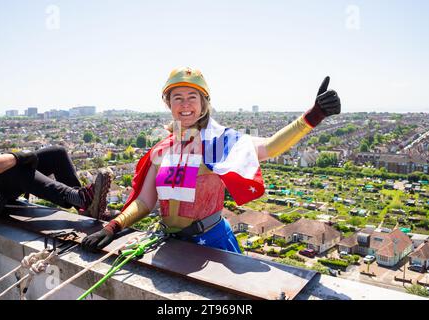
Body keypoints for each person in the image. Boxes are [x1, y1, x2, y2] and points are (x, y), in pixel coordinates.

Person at [82, 67, 341, 253]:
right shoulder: (161, 149)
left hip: (213, 242)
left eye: (192, 97)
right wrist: (113, 227)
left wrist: (313, 116)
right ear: (168, 104)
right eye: (177, 98)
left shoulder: (220, 143)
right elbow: (145, 201)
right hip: (170, 243)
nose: (185, 104)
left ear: (204, 103)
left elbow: (270, 147)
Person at [0, 78, 111, 219]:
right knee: (14, 165)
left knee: (57, 153)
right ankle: (79, 198)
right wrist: (16, 158)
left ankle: (85, 206)